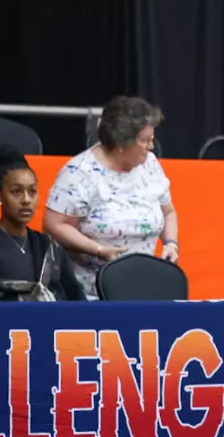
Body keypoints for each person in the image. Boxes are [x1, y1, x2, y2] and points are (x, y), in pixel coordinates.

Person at [45, 96, 179, 299]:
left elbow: (168, 211)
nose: (151, 146)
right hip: (91, 295)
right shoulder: (80, 173)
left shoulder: (150, 164)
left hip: (144, 290)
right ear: (121, 143)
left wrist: (171, 243)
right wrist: (98, 249)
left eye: (152, 139)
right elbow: (54, 225)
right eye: (145, 140)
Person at [0, 146, 85, 301]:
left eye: (32, 192)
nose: (26, 200)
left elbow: (76, 301)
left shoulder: (49, 247)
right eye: (16, 191)